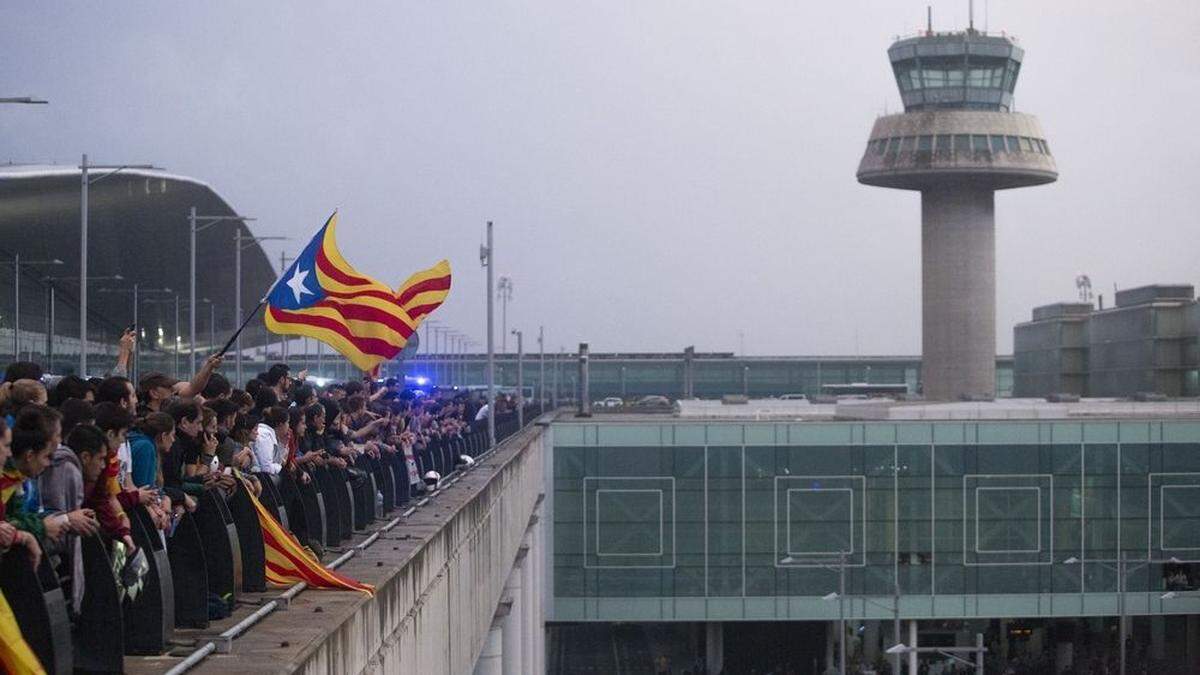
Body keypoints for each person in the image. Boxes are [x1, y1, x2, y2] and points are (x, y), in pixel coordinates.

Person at [252, 406, 289, 475]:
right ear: (280, 424)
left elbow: (277, 461)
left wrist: (282, 445)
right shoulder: (265, 436)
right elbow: (266, 468)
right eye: (287, 422)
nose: (288, 426)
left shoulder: (273, 435)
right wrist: (279, 467)